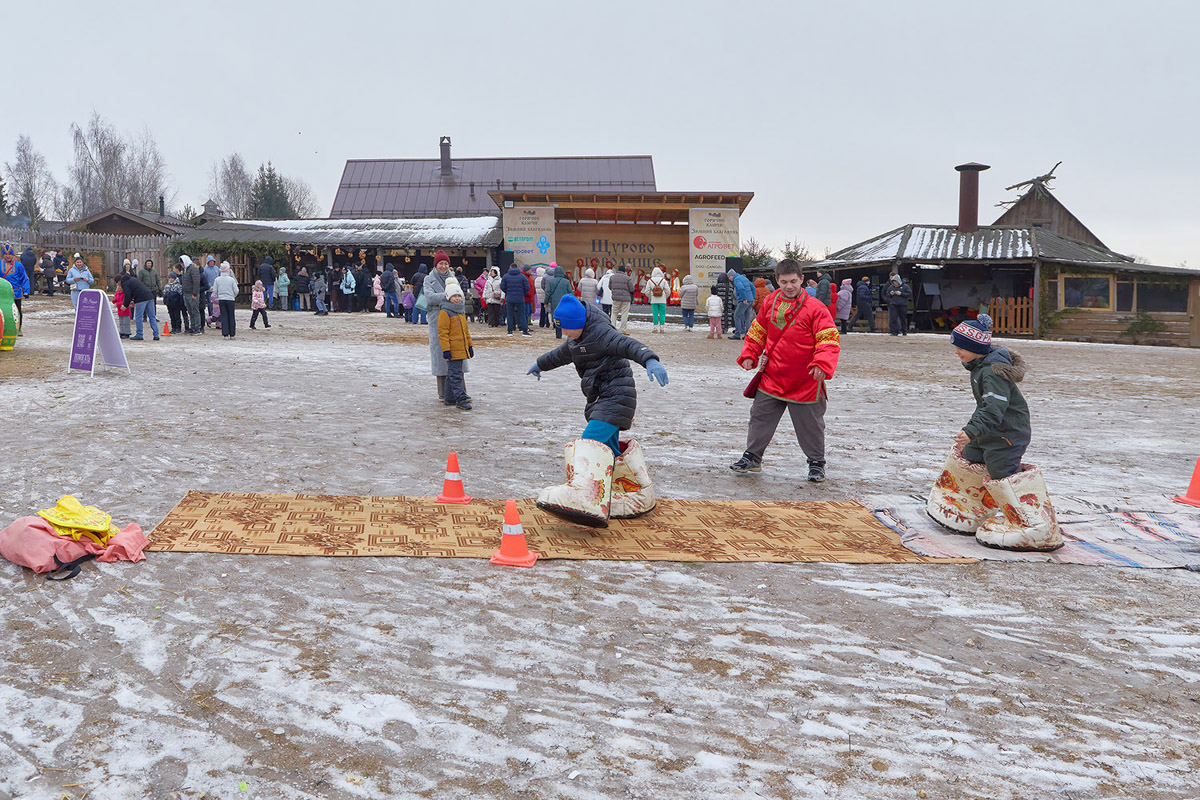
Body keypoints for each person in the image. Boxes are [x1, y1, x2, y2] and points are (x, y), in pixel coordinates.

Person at [527, 294, 668, 527]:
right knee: (607, 450)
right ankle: (634, 491)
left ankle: (585, 496)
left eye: (567, 329)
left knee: (589, 443)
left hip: (616, 396)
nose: (564, 334)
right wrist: (540, 363)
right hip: (601, 397)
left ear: (578, 324)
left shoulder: (602, 334)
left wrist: (650, 360)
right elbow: (561, 355)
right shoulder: (577, 339)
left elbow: (628, 345)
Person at [926, 315, 1062, 551]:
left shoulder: (991, 373)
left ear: (975, 348)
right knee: (970, 457)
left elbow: (993, 409)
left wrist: (971, 430)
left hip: (1007, 435)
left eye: (960, 347)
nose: (957, 352)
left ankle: (1033, 524)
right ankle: (968, 507)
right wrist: (974, 433)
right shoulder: (980, 366)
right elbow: (986, 409)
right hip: (990, 431)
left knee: (1002, 472)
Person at [730, 258, 841, 483]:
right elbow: (758, 331)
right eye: (783, 282)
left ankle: (816, 463)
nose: (789, 286)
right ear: (777, 281)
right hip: (773, 375)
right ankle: (752, 457)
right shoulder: (769, 301)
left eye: (793, 281)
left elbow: (828, 338)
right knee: (759, 416)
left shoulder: (816, 308)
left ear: (801, 280)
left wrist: (822, 363)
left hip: (805, 379)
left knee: (811, 425)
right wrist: (750, 354)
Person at [424, 250, 466, 401]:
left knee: (457, 352)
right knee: (441, 354)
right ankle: (443, 393)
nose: (443, 266)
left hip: (455, 318)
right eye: (441, 263)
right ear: (436, 265)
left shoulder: (452, 277)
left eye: (446, 263)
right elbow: (429, 298)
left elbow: (460, 297)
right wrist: (449, 296)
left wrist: (449, 298)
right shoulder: (429, 279)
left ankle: (460, 391)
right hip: (438, 319)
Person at [437, 278, 474, 410]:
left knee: (452, 374)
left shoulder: (460, 312)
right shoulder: (445, 312)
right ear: (448, 297)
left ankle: (449, 397)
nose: (457, 298)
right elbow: (443, 333)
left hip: (461, 348)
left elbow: (465, 331)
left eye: (459, 296)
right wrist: (446, 349)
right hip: (452, 349)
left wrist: (469, 345)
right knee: (455, 374)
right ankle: (460, 398)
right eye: (454, 296)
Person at [120, 271, 160, 340]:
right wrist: (133, 301)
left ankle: (139, 334)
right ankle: (156, 335)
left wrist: (125, 305)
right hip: (150, 296)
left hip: (141, 299)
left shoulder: (124, 283)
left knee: (138, 317)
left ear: (118, 282)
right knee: (152, 316)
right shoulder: (133, 279)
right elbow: (135, 290)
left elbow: (127, 295)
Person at [1, 244, 30, 328]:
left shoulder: (18, 265)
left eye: (9, 254)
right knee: (3, 310)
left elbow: (24, 278)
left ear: (12, 255)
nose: (8, 256)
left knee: (16, 310)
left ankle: (18, 327)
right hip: (2, 293)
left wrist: (26, 291)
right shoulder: (0, 264)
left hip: (15, 292)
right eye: (6, 254)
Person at [542, 264, 573, 339]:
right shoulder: (566, 281)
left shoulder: (551, 282)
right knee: (564, 316)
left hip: (554, 302)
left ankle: (558, 334)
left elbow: (547, 293)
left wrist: (545, 302)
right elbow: (570, 292)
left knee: (556, 317)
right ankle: (566, 332)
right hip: (564, 302)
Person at [501, 262, 531, 336]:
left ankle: (510, 331)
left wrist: (508, 292)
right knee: (522, 315)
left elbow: (502, 287)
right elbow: (527, 287)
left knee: (510, 315)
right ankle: (524, 331)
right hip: (520, 298)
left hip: (510, 298)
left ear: (510, 267)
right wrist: (522, 293)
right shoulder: (522, 276)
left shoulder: (506, 276)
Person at [212, 261, 239, 338]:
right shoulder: (231, 280)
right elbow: (236, 290)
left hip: (222, 299)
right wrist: (233, 295)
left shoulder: (217, 279)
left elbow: (215, 291)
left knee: (224, 316)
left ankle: (225, 334)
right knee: (231, 316)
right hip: (230, 299)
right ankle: (232, 334)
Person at [607, 264, 635, 333]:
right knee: (624, 314)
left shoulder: (612, 277)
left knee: (614, 313)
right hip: (626, 299)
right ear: (624, 271)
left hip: (615, 298)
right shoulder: (627, 278)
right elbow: (631, 289)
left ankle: (612, 328)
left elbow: (609, 287)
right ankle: (623, 329)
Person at [179, 255, 203, 334]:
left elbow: (196, 282)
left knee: (195, 311)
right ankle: (193, 327)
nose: (181, 264)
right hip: (186, 294)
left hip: (192, 294)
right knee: (190, 311)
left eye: (182, 262)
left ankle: (197, 328)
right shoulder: (185, 270)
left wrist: (195, 293)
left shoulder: (193, 269)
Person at [730, 268, 756, 339]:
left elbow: (741, 288)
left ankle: (737, 334)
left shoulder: (737, 280)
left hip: (744, 301)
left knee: (736, 316)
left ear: (732, 275)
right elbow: (753, 287)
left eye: (729, 277)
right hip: (750, 300)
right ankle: (749, 334)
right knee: (747, 317)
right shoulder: (744, 278)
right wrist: (753, 297)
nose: (730, 279)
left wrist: (744, 298)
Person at [646, 267, 670, 333]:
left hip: (654, 300)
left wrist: (651, 296)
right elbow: (668, 290)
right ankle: (662, 328)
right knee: (662, 314)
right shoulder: (663, 280)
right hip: (662, 300)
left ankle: (655, 328)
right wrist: (665, 297)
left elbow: (647, 291)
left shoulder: (650, 280)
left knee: (655, 314)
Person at [163, 269, 185, 336]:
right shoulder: (167, 286)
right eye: (170, 278)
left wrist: (181, 303)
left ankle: (178, 328)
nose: (171, 279)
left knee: (177, 316)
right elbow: (165, 294)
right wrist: (165, 301)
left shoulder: (178, 286)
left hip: (176, 303)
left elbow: (181, 294)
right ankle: (173, 327)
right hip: (169, 304)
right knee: (171, 316)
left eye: (172, 278)